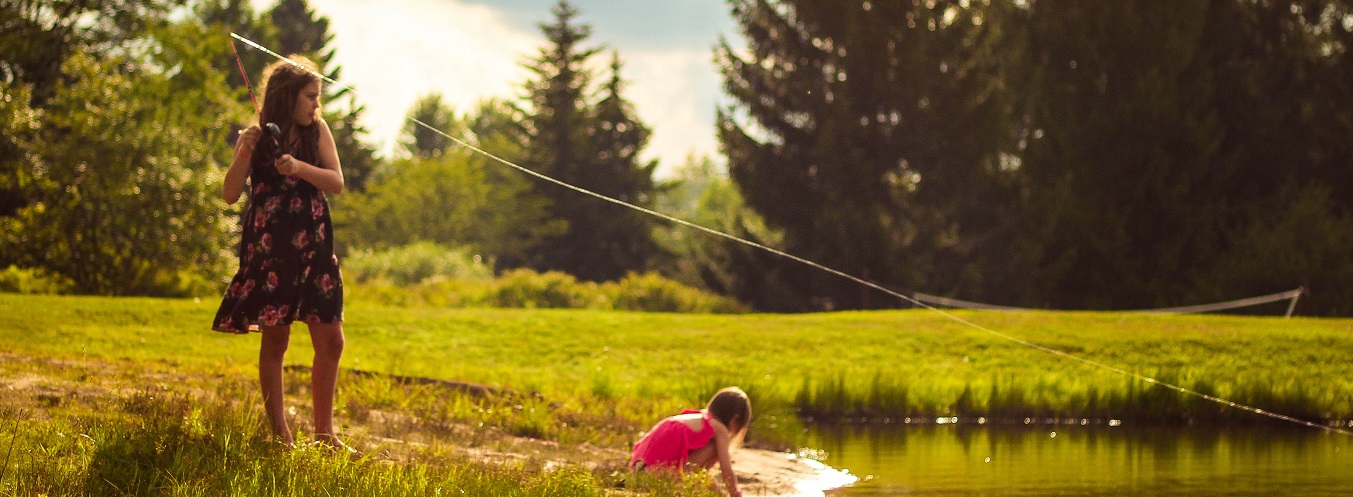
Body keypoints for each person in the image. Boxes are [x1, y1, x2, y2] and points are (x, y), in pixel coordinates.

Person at [212, 54, 349, 452]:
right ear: (288, 97)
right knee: (276, 342)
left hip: (315, 250)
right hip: (271, 253)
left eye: (317, 98)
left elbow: (336, 182)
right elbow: (229, 193)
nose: (316, 105)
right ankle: (280, 436)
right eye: (310, 97)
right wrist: (242, 153)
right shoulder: (258, 136)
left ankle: (325, 435)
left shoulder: (317, 131)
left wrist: (299, 168)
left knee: (332, 341)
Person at [630, 387, 751, 497]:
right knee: (714, 449)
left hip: (639, 471)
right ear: (735, 419)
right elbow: (726, 470)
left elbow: (697, 470)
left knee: (701, 468)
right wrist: (735, 494)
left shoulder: (698, 418)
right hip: (657, 474)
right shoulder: (719, 428)